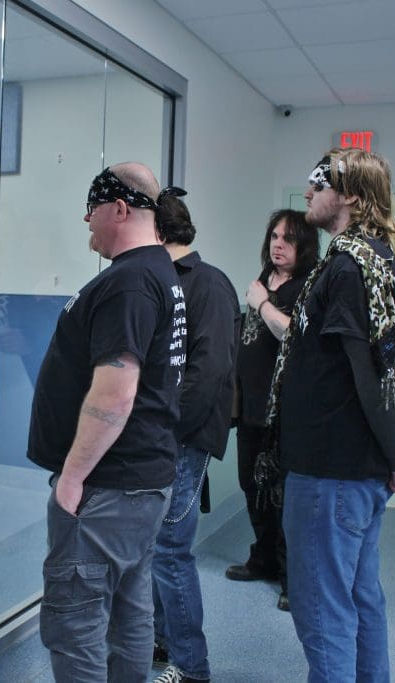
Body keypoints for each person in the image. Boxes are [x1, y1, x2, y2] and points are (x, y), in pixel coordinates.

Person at [256, 147, 395, 682]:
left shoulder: (352, 268)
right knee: (360, 599)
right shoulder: (384, 266)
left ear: (349, 194)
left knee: (323, 613)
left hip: (331, 474)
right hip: (354, 472)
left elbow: (372, 374)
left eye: (318, 183)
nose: (308, 192)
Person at [27, 162, 187, 682]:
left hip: (109, 487)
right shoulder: (158, 272)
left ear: (119, 208)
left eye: (91, 209)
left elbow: (117, 393)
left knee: (75, 620)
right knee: (129, 609)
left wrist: (72, 478)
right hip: (139, 481)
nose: (86, 221)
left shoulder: (132, 281)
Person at [149, 194, 240, 683]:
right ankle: (162, 640)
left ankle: (191, 668)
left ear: (158, 233)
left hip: (183, 436)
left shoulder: (209, 284)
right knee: (156, 549)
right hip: (163, 434)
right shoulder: (165, 280)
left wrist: (167, 425)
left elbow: (208, 372)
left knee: (170, 550)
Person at [225, 209, 319, 612]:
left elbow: (292, 337)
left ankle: (290, 577)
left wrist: (262, 304)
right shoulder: (264, 280)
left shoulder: (306, 287)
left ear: (304, 248)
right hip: (251, 409)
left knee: (282, 496)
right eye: (275, 236)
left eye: (289, 239)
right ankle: (261, 558)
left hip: (284, 413)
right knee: (251, 486)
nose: (278, 244)